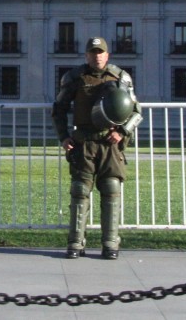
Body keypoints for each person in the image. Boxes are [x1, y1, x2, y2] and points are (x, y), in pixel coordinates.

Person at [51, 36, 141, 260]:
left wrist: (122, 132)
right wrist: (63, 137)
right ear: (86, 55)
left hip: (110, 145)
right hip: (83, 142)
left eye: (100, 52)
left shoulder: (120, 77)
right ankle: (75, 242)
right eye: (92, 52)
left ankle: (110, 243)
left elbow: (136, 112)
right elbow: (58, 109)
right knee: (80, 191)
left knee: (111, 189)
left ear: (107, 55)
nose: (97, 56)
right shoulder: (74, 78)